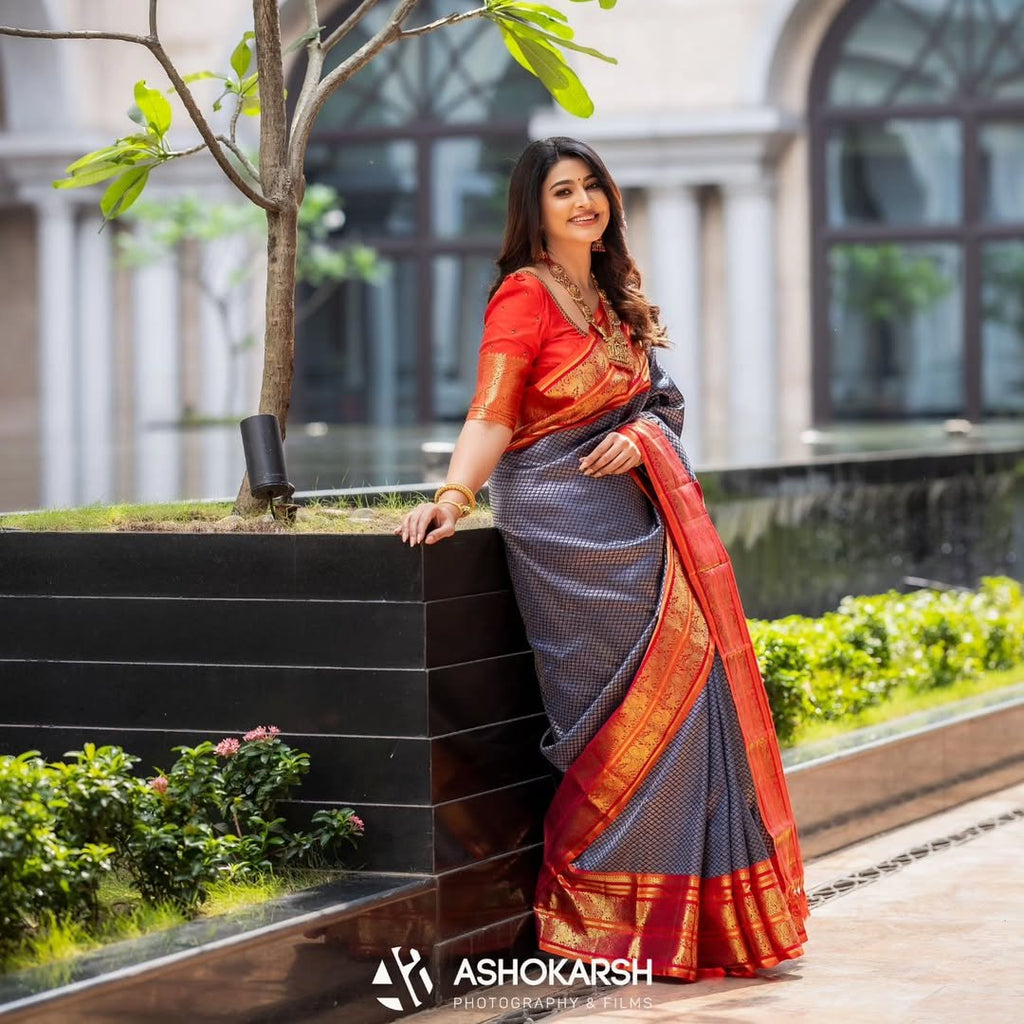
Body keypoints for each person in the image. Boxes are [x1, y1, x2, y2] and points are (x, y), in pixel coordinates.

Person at [396, 137, 808, 980]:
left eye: (592, 187)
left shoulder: (615, 300)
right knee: (616, 715)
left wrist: (641, 433)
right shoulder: (523, 297)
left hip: (638, 517)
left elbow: (662, 401)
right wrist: (452, 496)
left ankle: (692, 920)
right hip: (560, 527)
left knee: (695, 702)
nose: (584, 202)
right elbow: (492, 412)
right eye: (563, 191)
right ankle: (610, 919)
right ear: (534, 209)